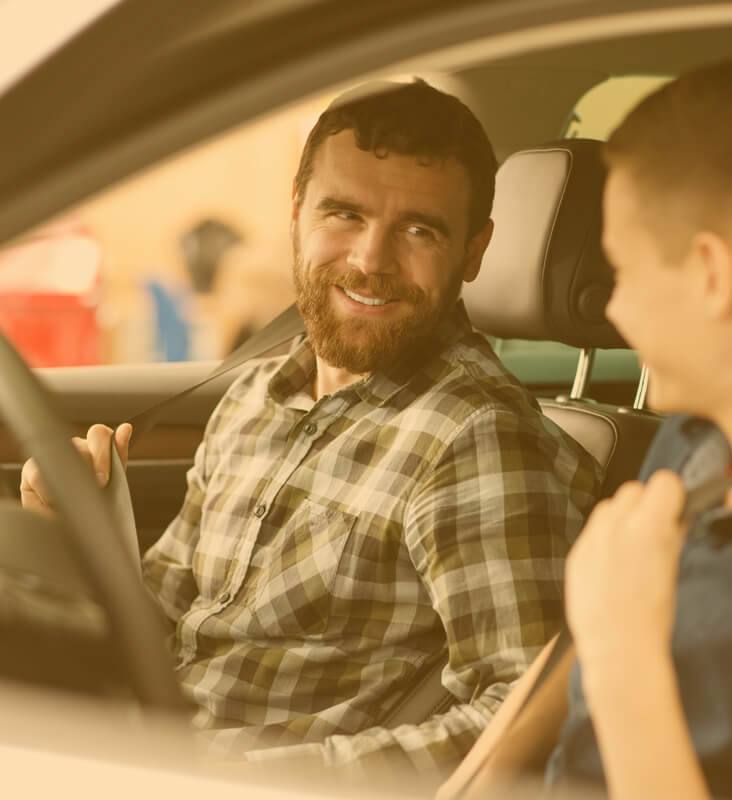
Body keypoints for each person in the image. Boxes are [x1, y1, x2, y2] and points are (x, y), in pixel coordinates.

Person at [20, 80, 600, 777]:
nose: (370, 261)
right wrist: (81, 543)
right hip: (139, 752)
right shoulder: (258, 396)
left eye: (419, 229)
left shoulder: (477, 438)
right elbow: (173, 624)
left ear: (474, 252)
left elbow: (525, 714)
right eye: (345, 214)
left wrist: (262, 779)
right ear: (297, 214)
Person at [439, 49, 732, 799]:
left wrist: (625, 646)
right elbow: (570, 654)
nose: (617, 310)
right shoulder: (697, 441)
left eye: (625, 272)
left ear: (712, 274)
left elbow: (606, 628)